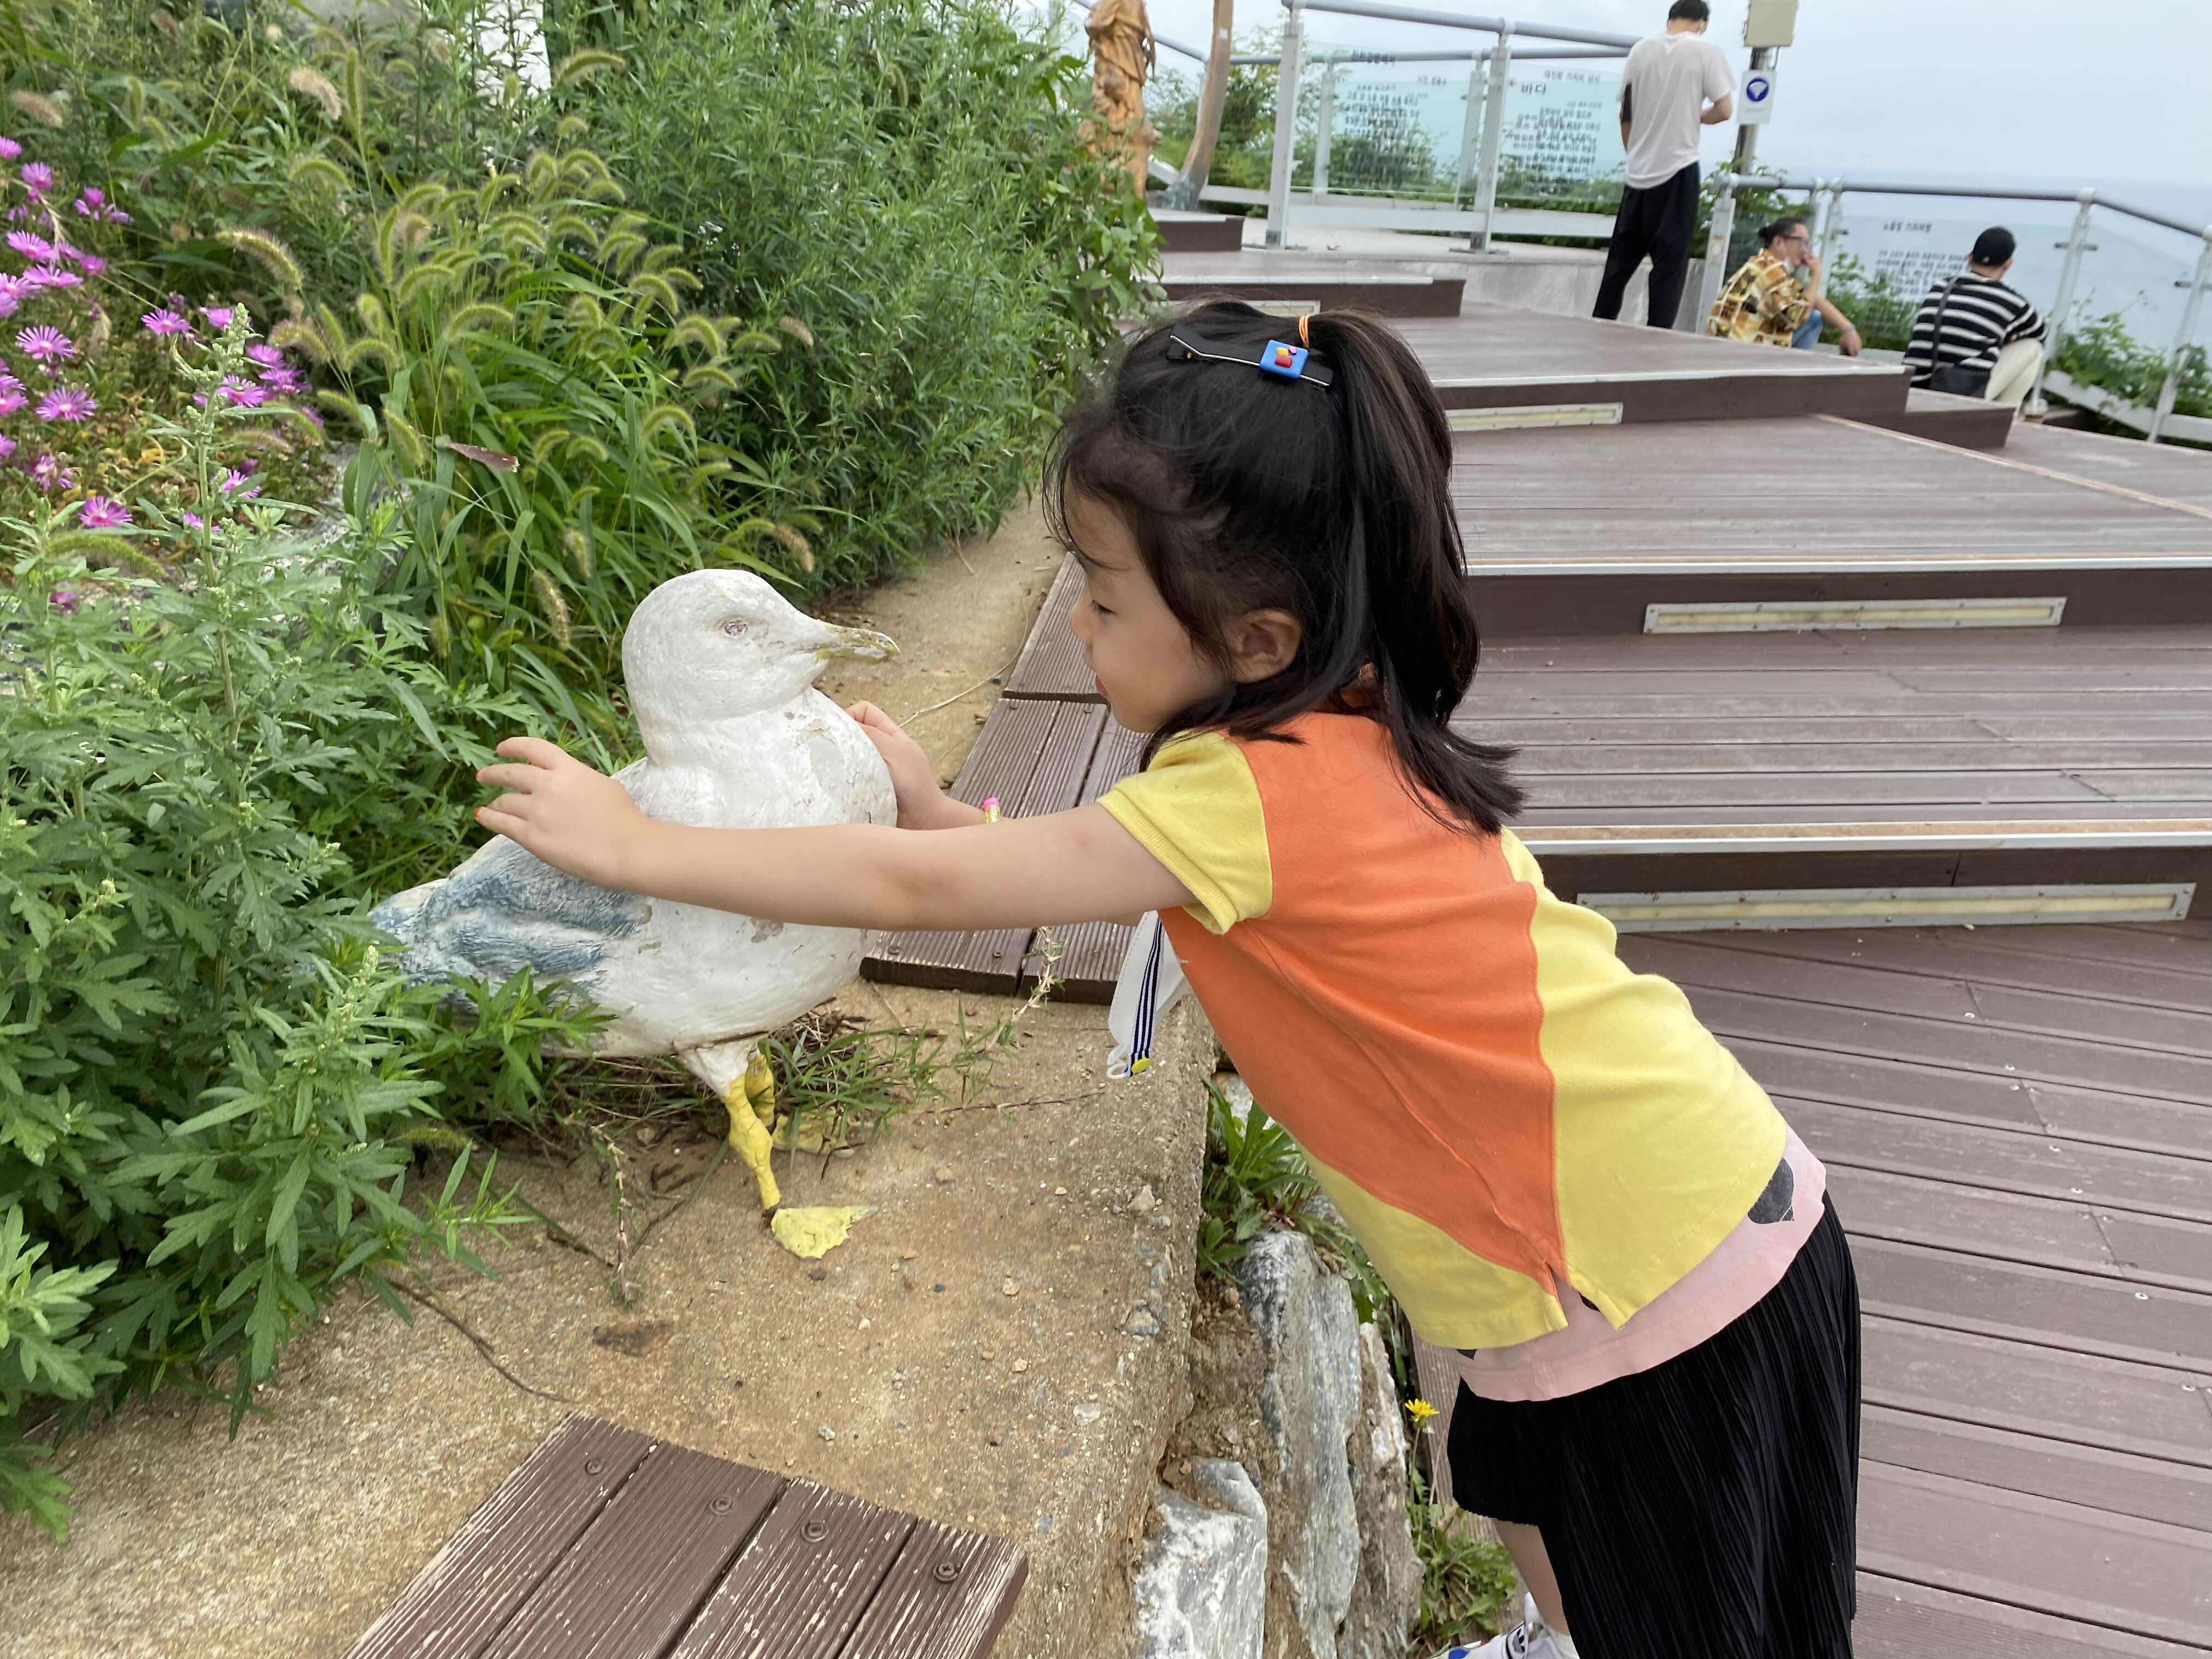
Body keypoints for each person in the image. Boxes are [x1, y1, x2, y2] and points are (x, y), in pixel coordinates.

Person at [473, 302, 1863, 1659]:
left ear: (1255, 639)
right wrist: (943, 814)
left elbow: (918, 895)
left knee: (1658, 1585)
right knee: (1529, 1487)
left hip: (1647, 1280)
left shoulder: (1255, 794)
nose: (1078, 624)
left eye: (1102, 594)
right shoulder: (1334, 724)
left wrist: (638, 845)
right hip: (1647, 1214)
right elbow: (1066, 873)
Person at [1594, 0, 1734, 330]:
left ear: (1670, 19)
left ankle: (1598, 327)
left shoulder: (1640, 51)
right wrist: (1697, 116)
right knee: (1668, 270)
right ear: (1702, 23)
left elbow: (1625, 114)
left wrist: (1635, 153)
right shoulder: (1706, 51)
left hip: (1637, 173)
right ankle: (1657, 340)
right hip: (1678, 169)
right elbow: (1725, 110)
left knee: (1618, 268)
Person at [1903, 226, 2047, 409]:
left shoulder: (1940, 288)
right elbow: (2040, 334)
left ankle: (1999, 415)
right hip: (1958, 392)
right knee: (2032, 348)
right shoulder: (2011, 302)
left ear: (1970, 257)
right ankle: (2004, 416)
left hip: (1914, 386)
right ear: (2008, 264)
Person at [1708, 216, 1863, 354]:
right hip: (1741, 353)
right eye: (1802, 243)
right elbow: (1801, 315)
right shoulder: (1771, 272)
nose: (1806, 252)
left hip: (1727, 349)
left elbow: (1812, 299)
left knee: (1811, 314)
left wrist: (1847, 328)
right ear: (1778, 242)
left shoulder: (1763, 266)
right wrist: (1816, 274)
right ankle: (1791, 373)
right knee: (1812, 319)